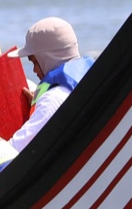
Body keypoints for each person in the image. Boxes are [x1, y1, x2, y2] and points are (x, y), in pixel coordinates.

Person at [11, 17, 91, 152]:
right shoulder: (88, 80)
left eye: (34, 62)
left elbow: (13, 150)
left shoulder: (52, 100)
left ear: (46, 58)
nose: (34, 70)